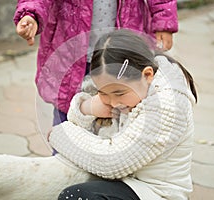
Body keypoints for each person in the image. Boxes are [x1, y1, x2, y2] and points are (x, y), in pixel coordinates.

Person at [48, 29, 197, 200]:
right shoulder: (127, 91)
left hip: (155, 192)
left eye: (119, 93)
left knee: (77, 196)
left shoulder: (167, 107)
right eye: (103, 93)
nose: (112, 103)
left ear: (147, 75)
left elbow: (112, 163)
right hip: (127, 180)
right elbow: (87, 128)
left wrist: (59, 134)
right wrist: (86, 108)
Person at [13, 0, 178, 126]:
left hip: (120, 53)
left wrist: (163, 21)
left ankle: (115, 157)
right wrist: (30, 14)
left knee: (123, 107)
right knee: (68, 107)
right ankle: (65, 155)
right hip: (70, 51)